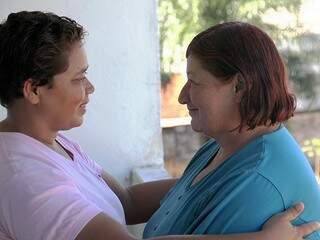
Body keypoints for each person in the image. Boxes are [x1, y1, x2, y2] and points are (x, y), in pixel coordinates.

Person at [0, 11, 317, 240]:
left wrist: (211, 175)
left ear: (239, 88)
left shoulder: (49, 142)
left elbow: (125, 201)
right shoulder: (26, 178)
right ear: (33, 90)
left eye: (194, 82)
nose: (90, 88)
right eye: (78, 78)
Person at [143, 22, 320, 239]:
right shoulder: (221, 148)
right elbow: (132, 201)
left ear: (239, 87)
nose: (182, 96)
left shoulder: (256, 179)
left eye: (194, 82)